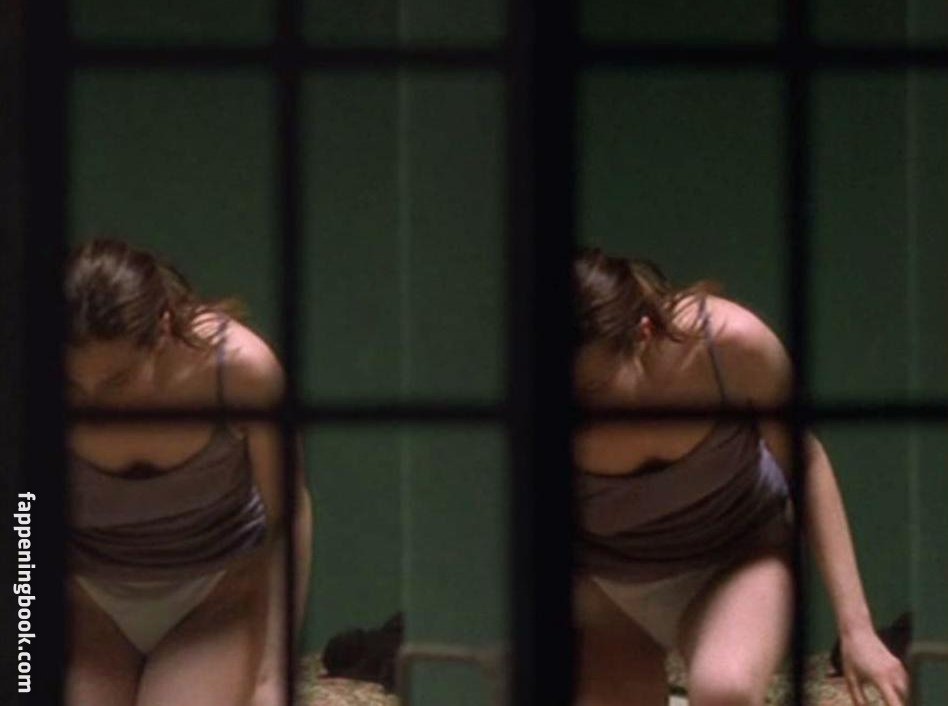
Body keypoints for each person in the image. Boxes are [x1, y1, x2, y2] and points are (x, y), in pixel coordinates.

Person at [572, 248, 909, 706]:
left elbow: (805, 461)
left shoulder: (729, 346)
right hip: (604, 580)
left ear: (643, 334)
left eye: (592, 389)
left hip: (738, 554)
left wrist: (857, 629)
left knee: (724, 689)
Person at [64, 238, 314, 706]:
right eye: (73, 385)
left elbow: (287, 514)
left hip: (214, 594)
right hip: (86, 599)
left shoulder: (237, 371)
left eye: (117, 381)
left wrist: (273, 677)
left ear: (162, 331)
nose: (94, 402)